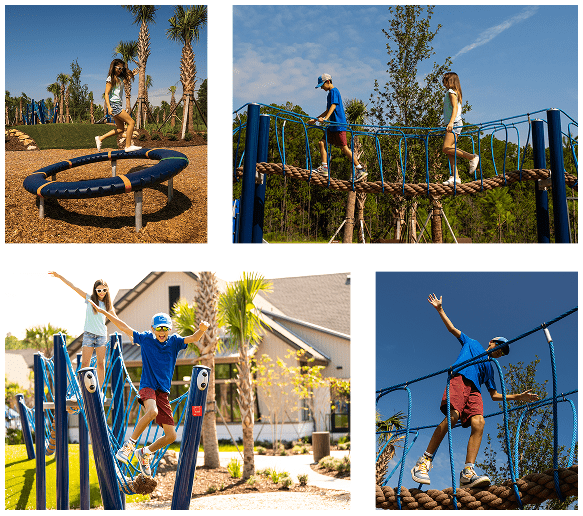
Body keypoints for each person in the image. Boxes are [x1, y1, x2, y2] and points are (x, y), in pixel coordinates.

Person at [411, 293, 539, 488]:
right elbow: (453, 329)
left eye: (503, 353)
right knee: (452, 416)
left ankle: (467, 472)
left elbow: (494, 395)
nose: (501, 352)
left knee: (479, 422)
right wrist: (440, 309)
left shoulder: (490, 368)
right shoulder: (473, 344)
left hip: (475, 390)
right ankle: (424, 462)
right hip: (460, 378)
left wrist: (518, 397)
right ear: (492, 342)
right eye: (501, 347)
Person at [88, 300, 209, 477]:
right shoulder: (145, 339)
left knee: (171, 436)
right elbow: (123, 326)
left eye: (165, 328)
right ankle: (129, 446)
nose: (162, 332)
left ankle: (145, 453)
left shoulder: (175, 342)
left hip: (163, 392)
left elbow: (194, 338)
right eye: (159, 328)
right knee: (151, 412)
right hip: (147, 387)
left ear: (169, 329)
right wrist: (103, 312)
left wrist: (202, 330)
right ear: (152, 328)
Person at [49, 272, 115, 397]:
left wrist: (130, 334)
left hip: (101, 336)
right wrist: (60, 276)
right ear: (95, 290)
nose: (102, 292)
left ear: (107, 290)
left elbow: (117, 320)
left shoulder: (108, 305)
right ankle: (81, 391)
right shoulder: (90, 299)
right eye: (99, 290)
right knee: (85, 363)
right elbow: (73, 287)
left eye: (104, 290)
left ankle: (99, 392)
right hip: (89, 335)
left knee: (101, 364)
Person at [308, 73, 368, 182]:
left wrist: (326, 118)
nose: (321, 88)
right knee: (321, 142)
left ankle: (360, 169)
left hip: (339, 125)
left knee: (344, 148)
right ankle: (324, 168)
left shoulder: (334, 91)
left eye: (322, 85)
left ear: (328, 82)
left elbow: (333, 106)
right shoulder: (329, 94)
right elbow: (327, 110)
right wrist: (315, 119)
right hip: (332, 126)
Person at [441, 72, 479, 186]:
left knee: (445, 148)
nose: (443, 83)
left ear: (450, 81)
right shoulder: (454, 92)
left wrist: (451, 122)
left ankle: (472, 157)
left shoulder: (451, 92)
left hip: (454, 123)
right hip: (453, 123)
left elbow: (455, 108)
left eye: (445, 80)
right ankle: (455, 177)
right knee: (450, 151)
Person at [95, 59, 141, 153]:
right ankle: (128, 146)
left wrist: (132, 74)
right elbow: (106, 94)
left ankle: (100, 138)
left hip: (117, 105)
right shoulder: (110, 78)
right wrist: (109, 107)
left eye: (122, 68)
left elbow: (126, 80)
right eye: (119, 68)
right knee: (131, 122)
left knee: (120, 129)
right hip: (114, 105)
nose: (120, 70)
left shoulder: (119, 78)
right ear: (114, 67)